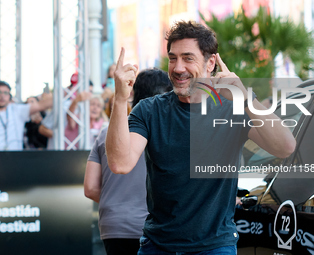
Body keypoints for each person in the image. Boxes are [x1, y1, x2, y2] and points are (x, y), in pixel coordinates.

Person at [106, 21, 296, 254]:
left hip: (215, 246)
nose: (177, 68)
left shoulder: (233, 107)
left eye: (188, 58)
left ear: (211, 63)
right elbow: (120, 163)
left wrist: (244, 97)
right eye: (173, 58)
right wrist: (119, 99)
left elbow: (285, 146)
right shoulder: (149, 110)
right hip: (158, 246)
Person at [84, 68, 172, 255]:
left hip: (114, 225)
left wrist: (118, 204)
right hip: (155, 226)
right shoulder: (166, 131)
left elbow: (90, 188)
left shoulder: (106, 133)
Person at [0, 81, 53, 151]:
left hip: (14, 157)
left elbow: (40, 105)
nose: (2, 96)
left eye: (5, 93)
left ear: (10, 96)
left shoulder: (17, 110)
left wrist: (53, 96)